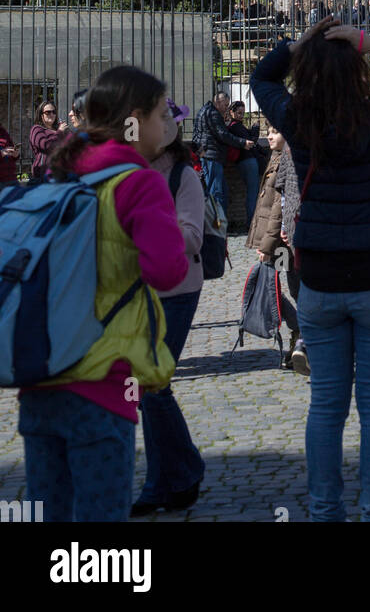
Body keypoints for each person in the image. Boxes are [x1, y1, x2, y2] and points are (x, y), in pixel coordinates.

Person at [249, 15, 370, 523]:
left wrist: (300, 44)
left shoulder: (296, 121)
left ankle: (323, 511)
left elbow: (259, 79)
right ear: (360, 71)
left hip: (320, 279)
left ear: (308, 73)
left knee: (326, 406)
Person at [18, 67, 187, 522]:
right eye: (159, 113)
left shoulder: (59, 174)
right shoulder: (138, 182)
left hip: (39, 379)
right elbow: (168, 270)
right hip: (102, 382)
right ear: (135, 119)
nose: (165, 123)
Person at [133, 99, 207, 516]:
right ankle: (165, 481)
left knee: (154, 387)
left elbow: (191, 237)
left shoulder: (184, 176)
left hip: (177, 290)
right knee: (147, 391)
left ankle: (179, 473)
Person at [246, 123, 303, 370]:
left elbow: (280, 209)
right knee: (274, 286)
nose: (269, 136)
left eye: (275, 131)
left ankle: (301, 332)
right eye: (268, 131)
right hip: (275, 240)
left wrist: (267, 244)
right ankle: (299, 331)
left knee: (282, 287)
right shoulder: (276, 156)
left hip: (280, 243)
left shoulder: (285, 161)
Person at [191, 91, 253, 221]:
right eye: (225, 105)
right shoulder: (213, 113)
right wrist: (242, 142)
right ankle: (217, 225)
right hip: (212, 156)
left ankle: (219, 223)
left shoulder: (206, 111)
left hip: (209, 155)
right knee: (217, 192)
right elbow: (223, 135)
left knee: (220, 191)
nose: (227, 108)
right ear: (218, 102)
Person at [275, 132, 306, 373]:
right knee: (300, 288)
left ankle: (306, 342)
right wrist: (285, 226)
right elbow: (283, 193)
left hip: (312, 228)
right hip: (298, 230)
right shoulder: (290, 151)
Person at [226, 99, 265, 230]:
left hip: (245, 161)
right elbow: (251, 141)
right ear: (231, 112)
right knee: (252, 193)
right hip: (247, 161)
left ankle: (251, 222)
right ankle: (251, 223)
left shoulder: (237, 126)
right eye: (238, 113)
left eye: (243, 113)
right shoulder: (235, 126)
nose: (241, 115)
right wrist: (255, 129)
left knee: (252, 192)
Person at [29, 100, 66, 182]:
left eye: (53, 112)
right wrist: (59, 132)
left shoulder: (58, 129)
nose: (51, 114)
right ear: (41, 115)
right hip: (44, 173)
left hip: (61, 172)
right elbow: (46, 145)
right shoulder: (36, 129)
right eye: (48, 112)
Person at [0, 120, 19, 186]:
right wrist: (1, 153)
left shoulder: (3, 131)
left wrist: (15, 155)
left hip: (10, 177)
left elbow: (11, 147)